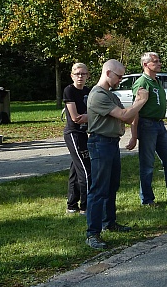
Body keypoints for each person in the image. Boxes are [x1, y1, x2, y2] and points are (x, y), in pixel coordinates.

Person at [84, 59, 149, 250]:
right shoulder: (97, 95)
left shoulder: (110, 95)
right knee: (98, 190)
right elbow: (124, 115)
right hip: (100, 143)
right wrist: (141, 101)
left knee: (112, 186)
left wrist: (135, 107)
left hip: (111, 144)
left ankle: (109, 222)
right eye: (119, 76)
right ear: (108, 73)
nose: (120, 80)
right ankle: (92, 234)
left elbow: (128, 115)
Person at [128, 52, 167, 205]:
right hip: (147, 125)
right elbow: (135, 109)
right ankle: (147, 199)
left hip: (159, 124)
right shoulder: (142, 82)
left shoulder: (156, 81)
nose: (159, 63)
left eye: (159, 61)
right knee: (147, 164)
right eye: (155, 61)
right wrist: (134, 135)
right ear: (145, 64)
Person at [63, 63, 91, 215]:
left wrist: (89, 117)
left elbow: (93, 111)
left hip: (84, 133)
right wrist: (91, 117)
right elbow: (76, 118)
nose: (80, 76)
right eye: (77, 74)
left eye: (83, 74)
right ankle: (86, 207)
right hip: (73, 134)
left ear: (87, 75)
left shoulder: (88, 91)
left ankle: (72, 205)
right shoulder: (69, 91)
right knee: (86, 170)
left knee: (75, 169)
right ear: (72, 75)